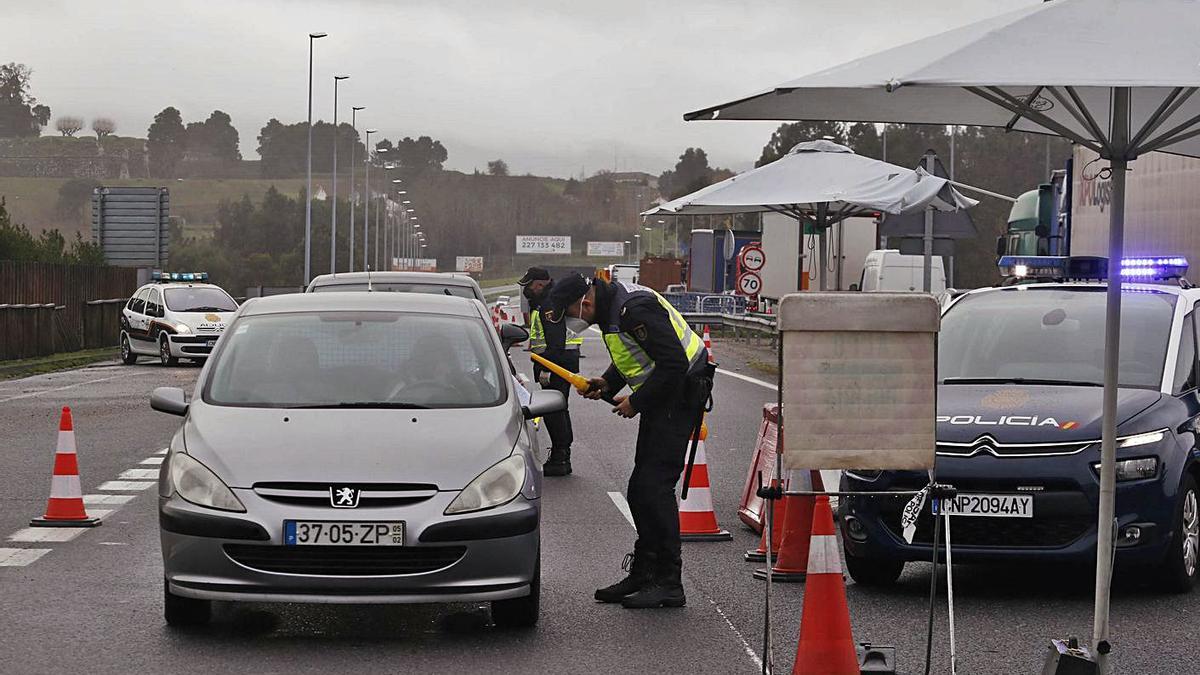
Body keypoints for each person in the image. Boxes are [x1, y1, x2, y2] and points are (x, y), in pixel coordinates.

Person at [544, 273, 710, 609]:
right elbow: (634, 355)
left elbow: (674, 363)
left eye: (571, 315)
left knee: (654, 488)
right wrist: (606, 383)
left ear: (585, 303)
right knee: (640, 488)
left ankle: (669, 582)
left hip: (679, 395)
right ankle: (645, 571)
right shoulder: (612, 309)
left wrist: (636, 402)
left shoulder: (633, 309)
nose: (573, 323)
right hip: (664, 397)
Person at [518, 267, 582, 476]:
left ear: (538, 284)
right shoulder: (548, 300)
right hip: (560, 363)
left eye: (527, 286)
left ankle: (560, 457)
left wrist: (546, 368)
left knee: (554, 411)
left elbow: (555, 341)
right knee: (558, 410)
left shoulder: (550, 303)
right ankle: (561, 455)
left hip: (556, 364)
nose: (526, 291)